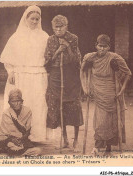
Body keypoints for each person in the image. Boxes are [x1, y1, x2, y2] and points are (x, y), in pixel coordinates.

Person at [0, 5, 49, 142]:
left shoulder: (45, 36)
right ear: (26, 18)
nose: (34, 21)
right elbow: (8, 58)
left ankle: (35, 136)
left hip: (39, 76)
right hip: (21, 75)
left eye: (37, 19)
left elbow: (49, 58)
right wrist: (10, 72)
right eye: (32, 19)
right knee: (20, 103)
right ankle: (16, 135)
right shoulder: (16, 37)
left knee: (38, 105)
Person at [80, 34, 131, 155]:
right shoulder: (90, 58)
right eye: (100, 46)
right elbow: (82, 72)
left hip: (112, 95)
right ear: (96, 45)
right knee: (100, 122)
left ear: (109, 47)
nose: (102, 49)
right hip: (98, 94)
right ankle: (98, 147)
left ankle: (107, 149)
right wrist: (85, 88)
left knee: (111, 122)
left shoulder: (115, 58)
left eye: (105, 46)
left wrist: (121, 91)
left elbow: (128, 73)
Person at [44, 15, 83, 150]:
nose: (59, 29)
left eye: (61, 26)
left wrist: (68, 48)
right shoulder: (50, 40)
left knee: (73, 106)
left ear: (66, 26)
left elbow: (76, 61)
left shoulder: (73, 38)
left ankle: (76, 140)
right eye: (56, 27)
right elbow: (47, 62)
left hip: (70, 77)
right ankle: (65, 138)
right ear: (52, 27)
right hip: (56, 78)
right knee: (59, 107)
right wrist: (58, 51)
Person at [0, 88, 41, 156]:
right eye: (13, 101)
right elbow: (5, 133)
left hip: (22, 139)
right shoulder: (6, 113)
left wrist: (22, 139)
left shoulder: (27, 111)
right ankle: (10, 149)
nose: (16, 103)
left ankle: (10, 149)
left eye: (18, 101)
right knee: (11, 145)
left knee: (38, 150)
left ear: (22, 101)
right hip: (9, 139)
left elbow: (28, 129)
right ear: (9, 103)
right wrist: (12, 140)